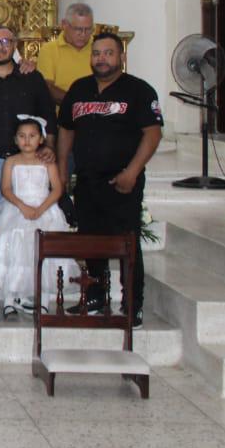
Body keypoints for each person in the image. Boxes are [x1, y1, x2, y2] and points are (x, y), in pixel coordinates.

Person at [57, 32, 162, 326]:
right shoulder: (79, 89)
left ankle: (132, 303)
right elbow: (66, 129)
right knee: (90, 240)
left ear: (121, 57)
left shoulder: (138, 91)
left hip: (122, 180)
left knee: (127, 242)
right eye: (97, 53)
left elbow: (152, 134)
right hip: (87, 180)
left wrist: (132, 172)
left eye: (108, 53)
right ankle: (95, 297)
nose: (101, 59)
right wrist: (64, 169)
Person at [0, 25, 57, 314]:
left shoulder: (32, 77)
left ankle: (26, 288)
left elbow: (49, 119)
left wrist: (48, 148)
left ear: (14, 44)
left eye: (5, 41)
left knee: (28, 229)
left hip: (29, 167)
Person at [0, 116, 76, 318]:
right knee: (14, 254)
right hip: (16, 211)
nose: (27, 140)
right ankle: (10, 299)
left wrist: (41, 209)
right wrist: (23, 207)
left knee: (41, 255)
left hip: (45, 211)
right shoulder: (11, 161)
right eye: (22, 136)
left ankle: (42, 299)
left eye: (32, 136)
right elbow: (6, 188)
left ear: (41, 140)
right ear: (15, 139)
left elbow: (57, 189)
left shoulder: (47, 162)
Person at [37, 2, 95, 105]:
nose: (83, 34)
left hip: (97, 112)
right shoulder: (49, 50)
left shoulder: (97, 48)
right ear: (64, 25)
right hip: (62, 114)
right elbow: (47, 87)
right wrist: (79, 106)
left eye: (88, 29)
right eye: (78, 29)